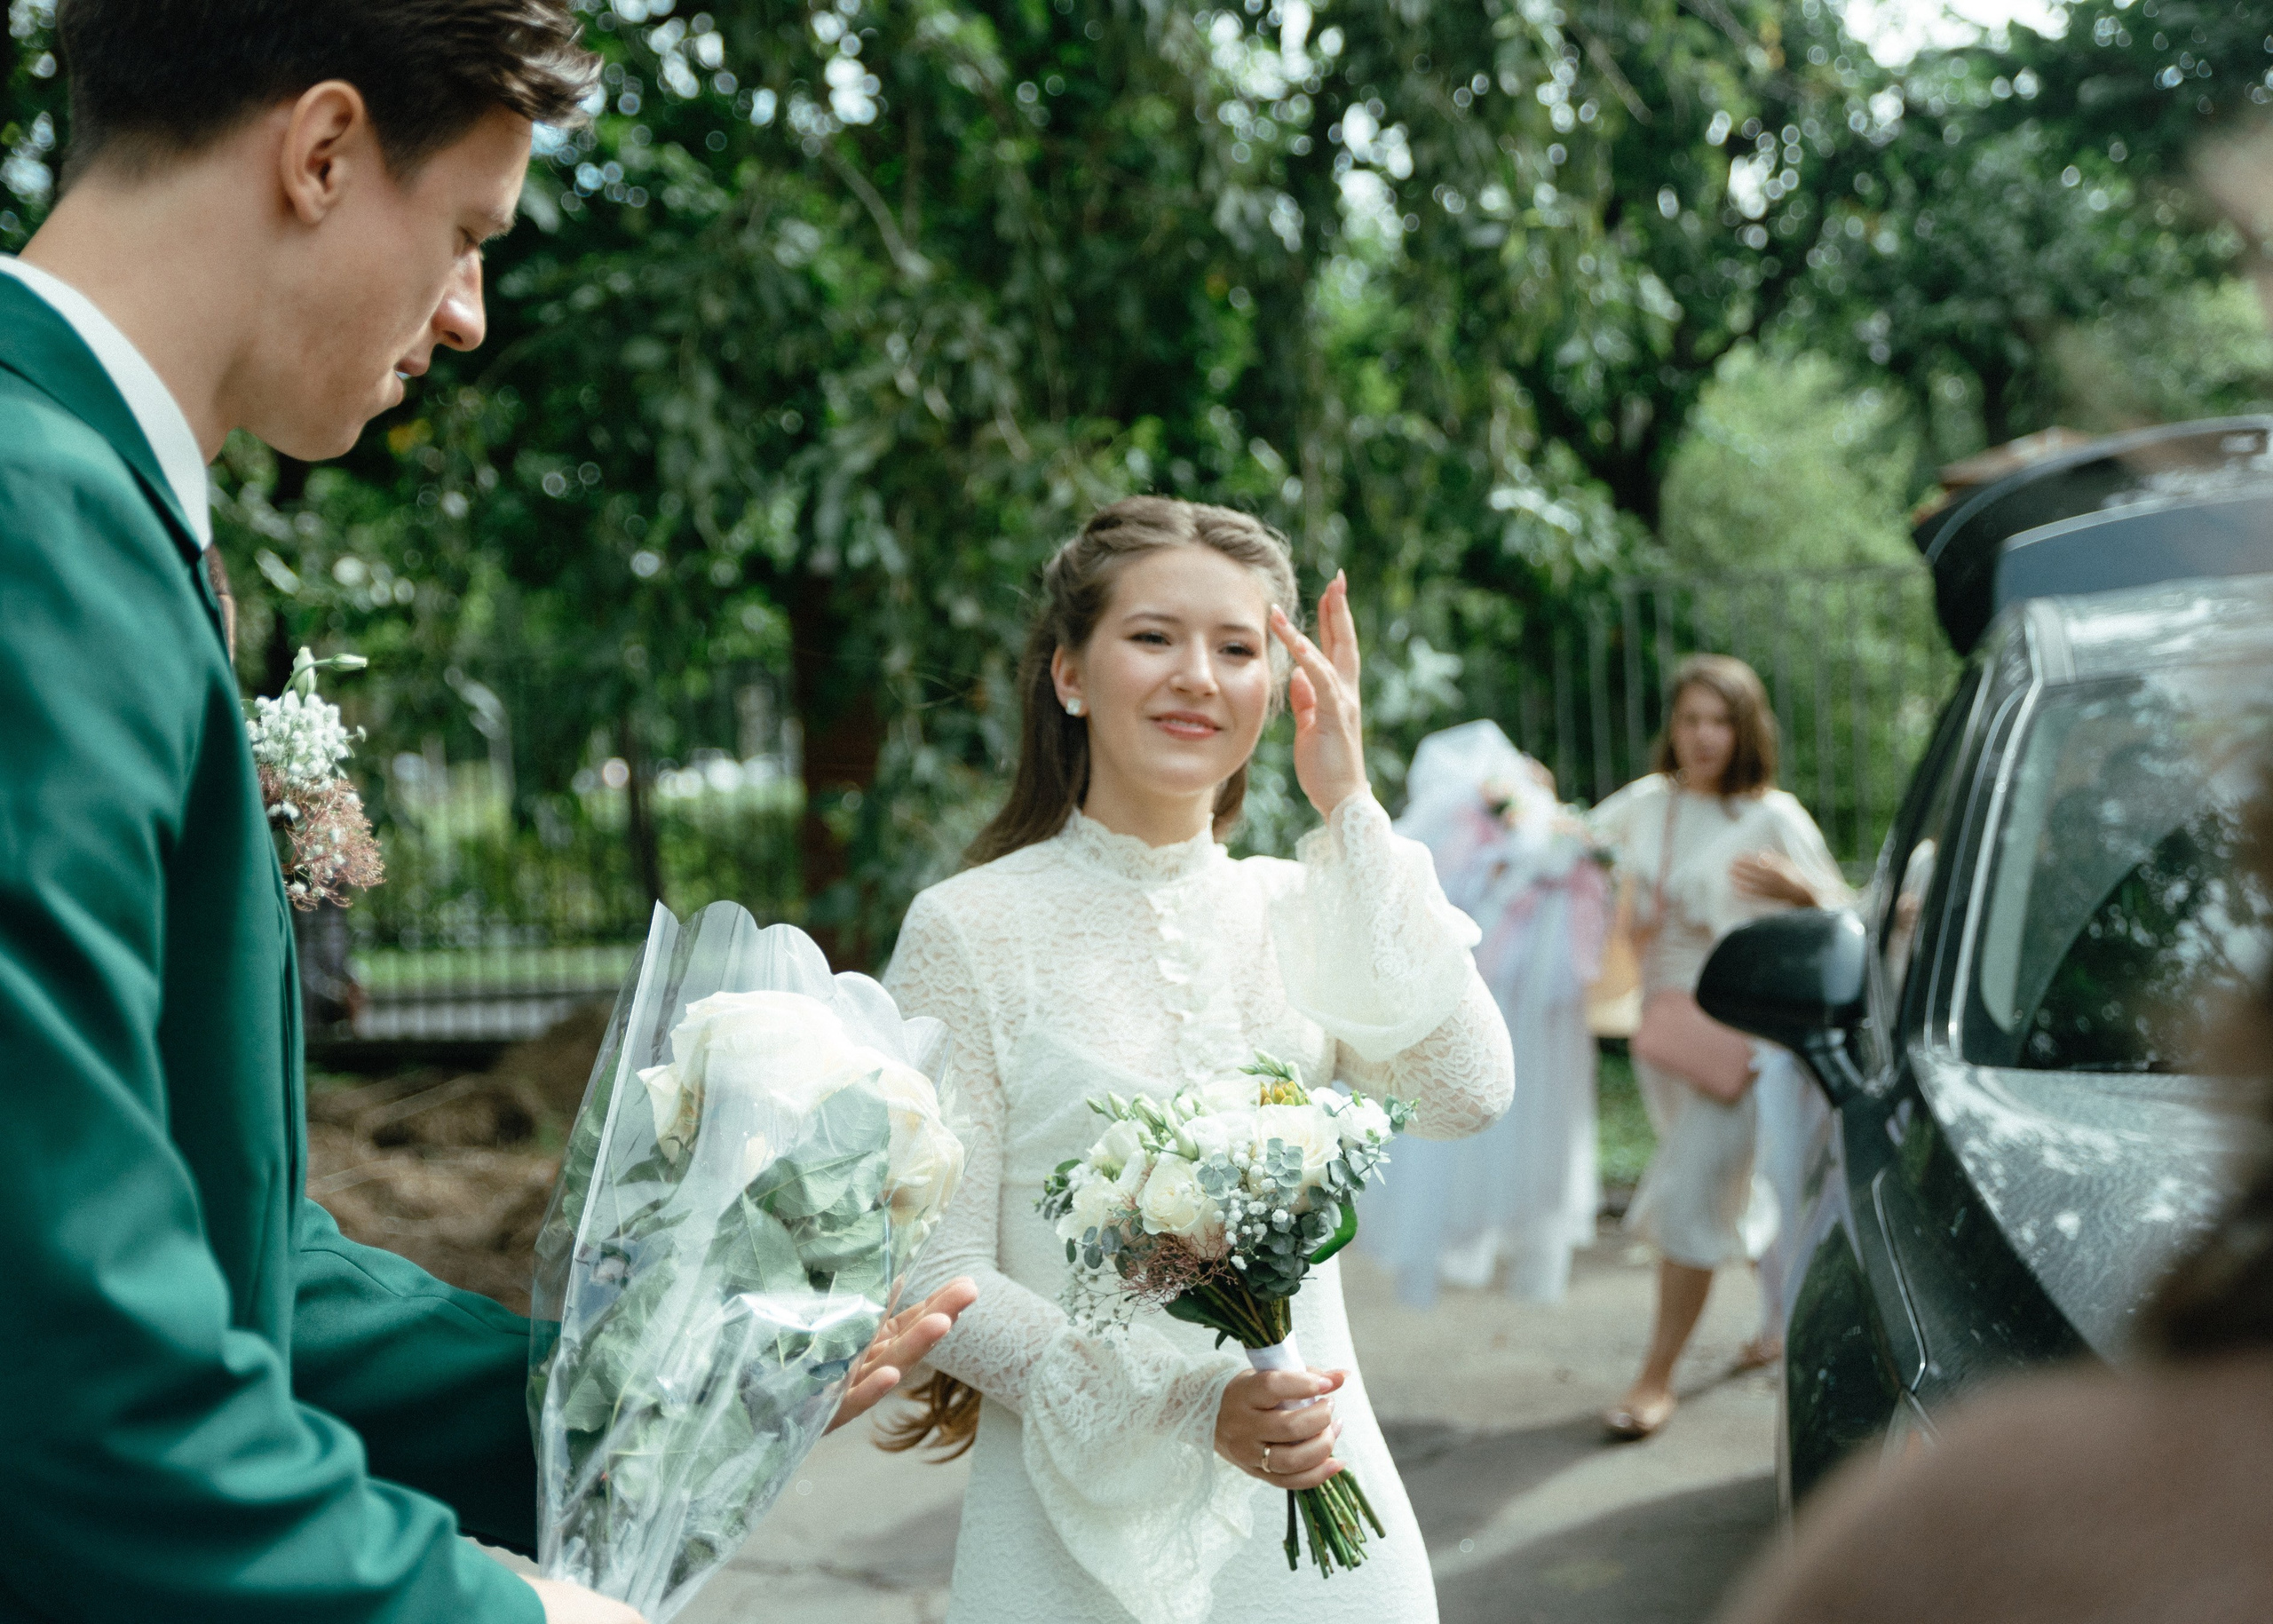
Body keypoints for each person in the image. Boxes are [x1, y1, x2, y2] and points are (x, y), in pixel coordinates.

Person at [0, 6, 970, 1620]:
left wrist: (646, 1388)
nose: (466, 315)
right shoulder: (38, 523)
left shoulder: (96, 506)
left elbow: (204, 1229)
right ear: (320, 153)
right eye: (465, 233)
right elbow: (59, 1338)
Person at [879, 497, 1516, 1624]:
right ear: (1069, 674)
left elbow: (1464, 1092)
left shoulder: (1305, 900)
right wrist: (1187, 1406)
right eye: (1153, 636)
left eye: (1237, 649)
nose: (1197, 676)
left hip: (1325, 1529)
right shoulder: (966, 928)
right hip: (1068, 1544)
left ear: (1280, 689)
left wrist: (1351, 807)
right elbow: (933, 1275)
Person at [1587, 654, 1846, 1440]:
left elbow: (1844, 914)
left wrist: (1805, 895)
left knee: (1692, 1192)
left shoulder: (1773, 816)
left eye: (1720, 720)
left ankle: (1654, 1377)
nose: (1703, 736)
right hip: (1666, 1029)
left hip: (1744, 1041)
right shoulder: (1650, 804)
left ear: (1746, 728)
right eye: (1690, 718)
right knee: (1719, 1189)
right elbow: (1577, 848)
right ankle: (1774, 1318)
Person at [1366, 719, 1609, 1306]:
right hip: (1488, 985)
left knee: (1532, 1110)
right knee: (1459, 1111)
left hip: (1532, 995)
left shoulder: (1551, 832)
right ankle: (1441, 1246)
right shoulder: (1469, 834)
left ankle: (1521, 1237)